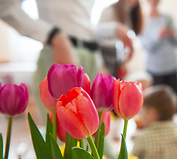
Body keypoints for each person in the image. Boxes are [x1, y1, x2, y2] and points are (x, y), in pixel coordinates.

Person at [0, 0, 134, 125]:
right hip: (58, 54)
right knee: (61, 138)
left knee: (97, 139)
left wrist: (112, 30)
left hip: (91, 56)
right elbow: (5, 6)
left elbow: (79, 25)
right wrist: (54, 35)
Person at [140, 0, 177, 100]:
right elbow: (145, 45)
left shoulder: (168, 18)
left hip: (171, 66)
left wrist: (173, 35)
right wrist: (158, 35)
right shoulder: (143, 20)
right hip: (154, 69)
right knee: (156, 101)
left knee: (174, 99)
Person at [98, 0, 143, 77]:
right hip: (105, 57)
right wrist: (101, 65)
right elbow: (97, 38)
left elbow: (124, 44)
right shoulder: (109, 11)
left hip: (118, 61)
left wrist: (123, 62)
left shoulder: (130, 14)